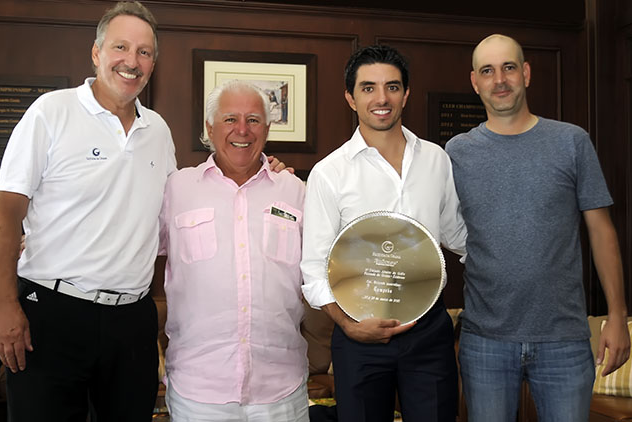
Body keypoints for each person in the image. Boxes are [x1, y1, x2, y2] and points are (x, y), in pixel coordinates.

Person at [0, 2, 174, 421]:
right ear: (96, 52)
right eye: (121, 47)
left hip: (132, 321)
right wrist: (3, 306)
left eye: (144, 52)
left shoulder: (158, 131)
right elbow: (5, 215)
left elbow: (177, 209)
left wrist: (261, 167)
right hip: (52, 314)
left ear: (154, 63)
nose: (132, 61)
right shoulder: (51, 113)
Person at [445, 33, 630, 422]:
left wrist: (617, 315)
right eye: (488, 71)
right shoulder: (456, 153)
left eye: (509, 67)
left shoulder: (571, 142)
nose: (500, 80)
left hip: (564, 339)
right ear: (474, 82)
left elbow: (601, 231)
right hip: (484, 341)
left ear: (526, 73)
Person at [300, 45, 467, 422]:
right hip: (359, 335)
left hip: (429, 332)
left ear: (405, 94)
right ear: (350, 97)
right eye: (368, 88)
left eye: (392, 87)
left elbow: (458, 234)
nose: (381, 98)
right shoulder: (330, 173)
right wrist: (347, 325)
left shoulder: (436, 160)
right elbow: (313, 265)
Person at [158, 80, 309, 422]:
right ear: (210, 128)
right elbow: (132, 248)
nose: (242, 129)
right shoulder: (177, 189)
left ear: (268, 130)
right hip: (199, 392)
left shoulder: (296, 191)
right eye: (230, 119)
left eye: (253, 120)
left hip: (280, 390)